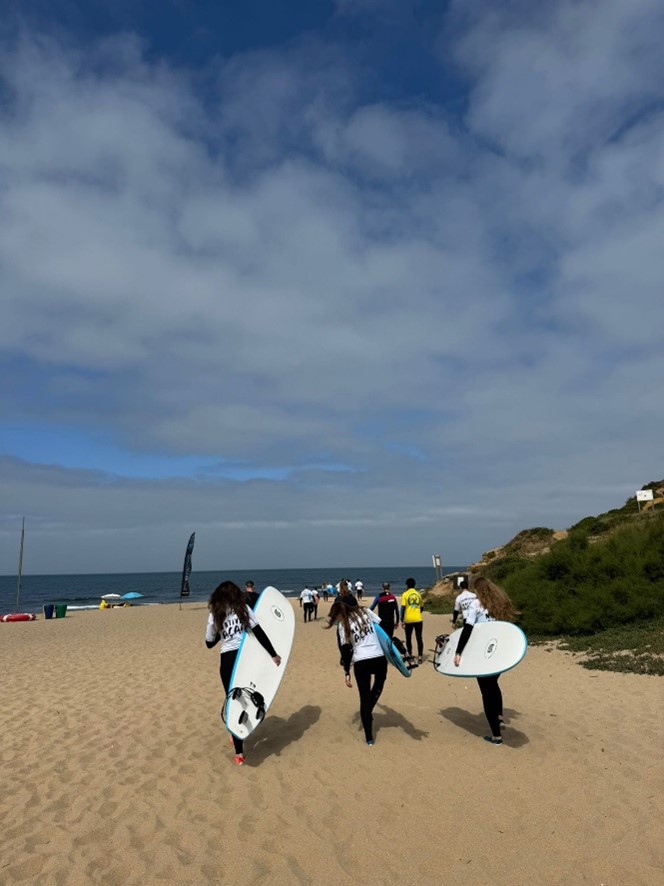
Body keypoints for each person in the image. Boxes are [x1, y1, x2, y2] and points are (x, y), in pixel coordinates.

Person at [205, 580, 281, 765]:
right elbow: (258, 632)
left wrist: (221, 634)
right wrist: (273, 654)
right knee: (249, 697)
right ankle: (237, 736)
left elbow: (208, 643)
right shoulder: (244, 609)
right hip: (245, 660)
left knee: (234, 701)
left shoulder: (215, 614)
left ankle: (238, 752)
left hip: (227, 662)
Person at [453, 576, 519, 746]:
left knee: (486, 691)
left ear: (478, 590)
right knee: (494, 685)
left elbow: (467, 629)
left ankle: (496, 736)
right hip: (498, 654)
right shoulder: (500, 604)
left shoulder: (476, 605)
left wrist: (458, 651)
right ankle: (500, 717)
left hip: (483, 655)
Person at [326, 597, 387, 746]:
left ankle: (369, 738)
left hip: (361, 662)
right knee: (379, 683)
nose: (336, 620)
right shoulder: (365, 611)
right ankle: (368, 709)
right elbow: (382, 628)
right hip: (379, 657)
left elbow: (346, 652)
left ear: (339, 614)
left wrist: (346, 671)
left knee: (364, 699)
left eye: (336, 617)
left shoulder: (342, 626)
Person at [400, 578, 424, 664]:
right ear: (414, 585)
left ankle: (410, 655)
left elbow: (402, 608)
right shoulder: (418, 594)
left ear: (407, 585)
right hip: (418, 619)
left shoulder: (405, 594)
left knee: (408, 638)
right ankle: (420, 656)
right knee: (419, 638)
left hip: (408, 619)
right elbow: (421, 607)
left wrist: (401, 620)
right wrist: (417, 612)